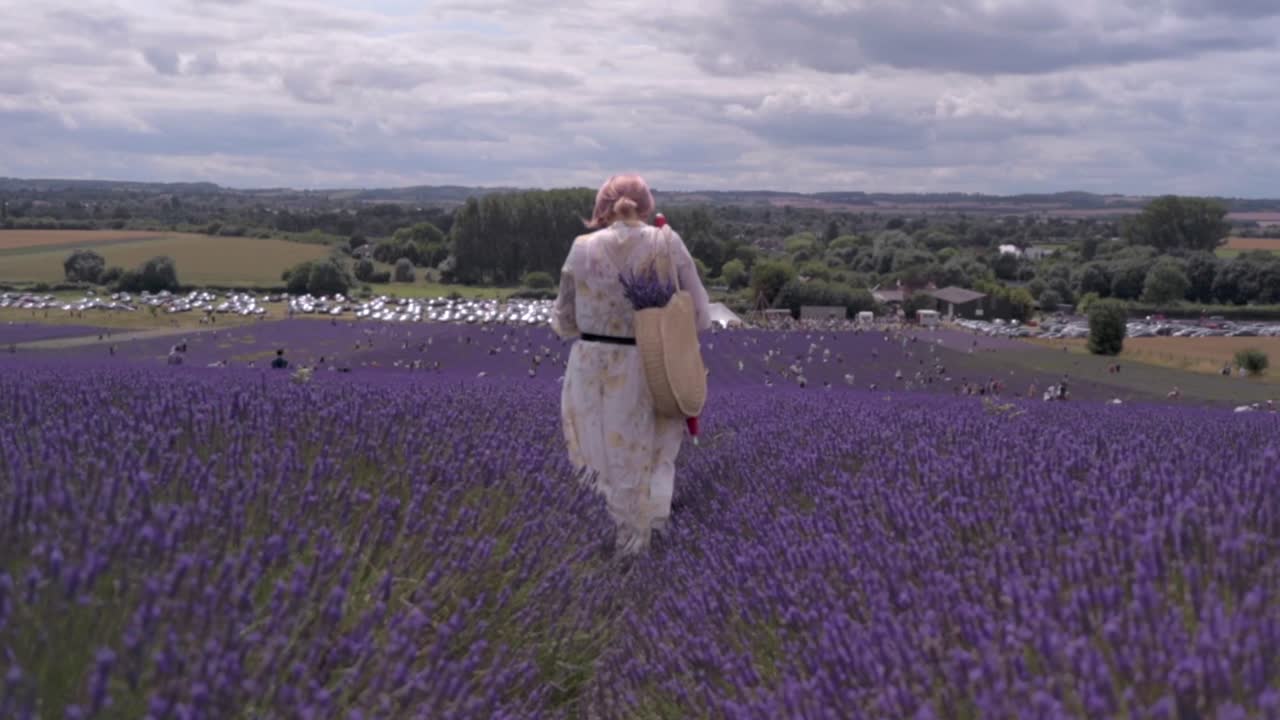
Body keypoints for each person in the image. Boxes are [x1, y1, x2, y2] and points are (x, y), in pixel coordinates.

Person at [550, 174, 711, 557]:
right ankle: (648, 550)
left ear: (602, 209)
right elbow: (701, 315)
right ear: (647, 206)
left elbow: (563, 321)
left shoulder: (581, 247)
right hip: (653, 367)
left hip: (591, 370)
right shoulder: (667, 243)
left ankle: (607, 552)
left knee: (597, 462)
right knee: (653, 459)